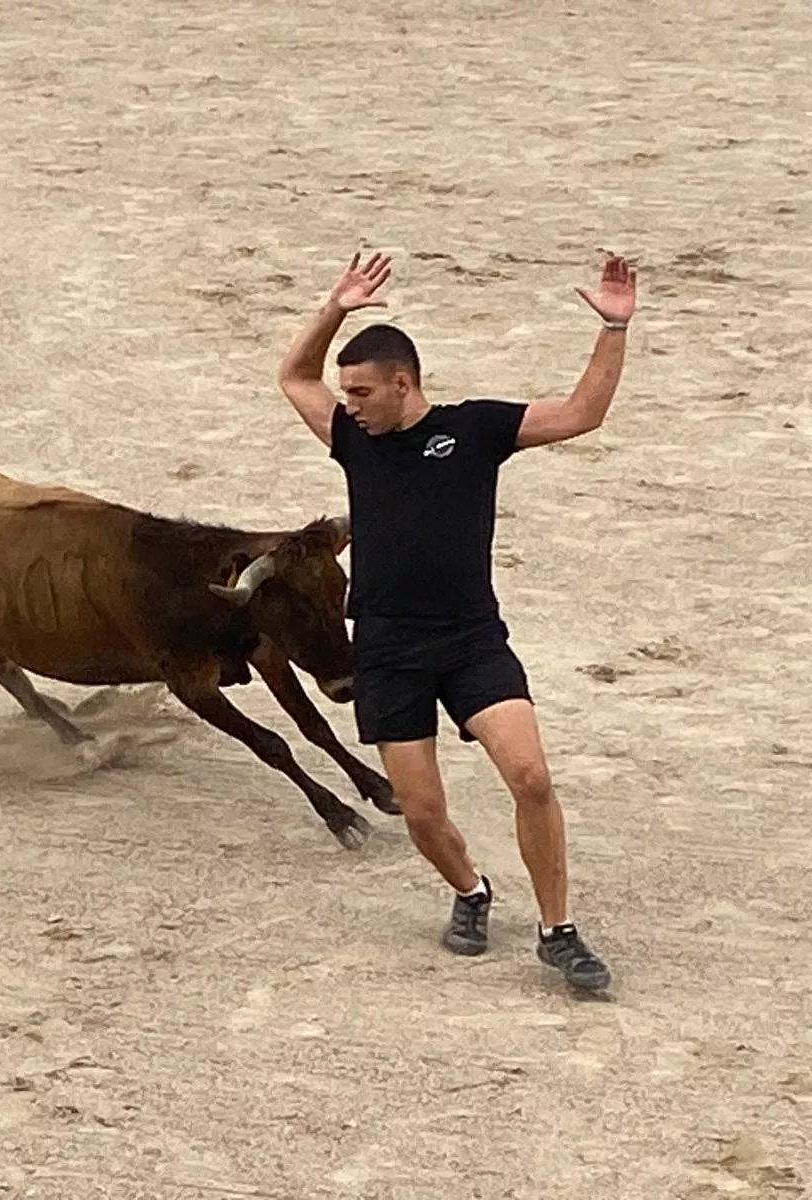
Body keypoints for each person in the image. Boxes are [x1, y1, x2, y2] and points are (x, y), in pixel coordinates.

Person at [275, 248, 636, 991]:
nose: (349, 404)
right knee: (421, 812)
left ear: (402, 383)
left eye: (362, 392)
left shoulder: (474, 431)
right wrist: (336, 307)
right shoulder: (352, 439)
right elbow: (294, 377)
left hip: (470, 639)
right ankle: (471, 892)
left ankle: (557, 931)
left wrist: (613, 328)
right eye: (347, 393)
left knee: (531, 777)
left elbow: (581, 414)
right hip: (386, 648)